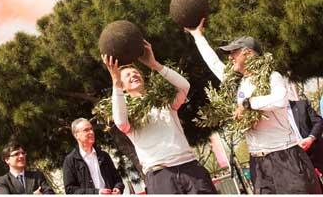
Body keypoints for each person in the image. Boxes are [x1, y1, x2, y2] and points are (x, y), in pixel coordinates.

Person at [186, 18, 321, 194]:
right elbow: (214, 64)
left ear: (248, 53)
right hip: (258, 163)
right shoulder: (238, 83)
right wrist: (197, 36)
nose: (230, 57)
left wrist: (249, 103)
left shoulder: (273, 76)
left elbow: (280, 99)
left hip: (285, 157)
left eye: (234, 53)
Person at [102, 40, 217, 194]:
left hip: (190, 168)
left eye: (136, 73)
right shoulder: (128, 113)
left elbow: (184, 86)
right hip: (160, 176)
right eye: (127, 75)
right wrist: (116, 82)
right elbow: (121, 123)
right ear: (123, 86)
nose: (134, 75)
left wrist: (155, 64)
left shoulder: (164, 102)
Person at [63, 118, 124, 194]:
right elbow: (70, 190)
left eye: (91, 129)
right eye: (86, 130)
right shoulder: (70, 161)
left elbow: (117, 179)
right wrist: (97, 193)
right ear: (76, 135)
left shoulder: (104, 156)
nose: (91, 132)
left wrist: (118, 188)